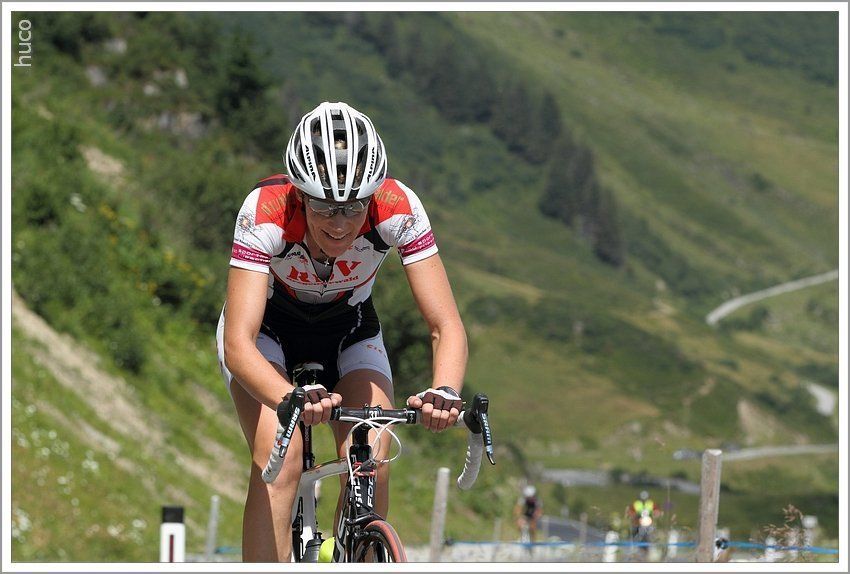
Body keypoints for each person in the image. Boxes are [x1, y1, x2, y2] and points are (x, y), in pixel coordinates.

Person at [216, 101, 468, 562]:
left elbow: (445, 324)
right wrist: (289, 397)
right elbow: (238, 344)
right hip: (267, 332)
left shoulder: (398, 207)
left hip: (348, 328)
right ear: (299, 195)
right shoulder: (266, 210)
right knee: (281, 455)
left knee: (374, 455)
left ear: (373, 196)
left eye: (354, 207)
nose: (339, 223)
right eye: (323, 206)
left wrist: (446, 390)